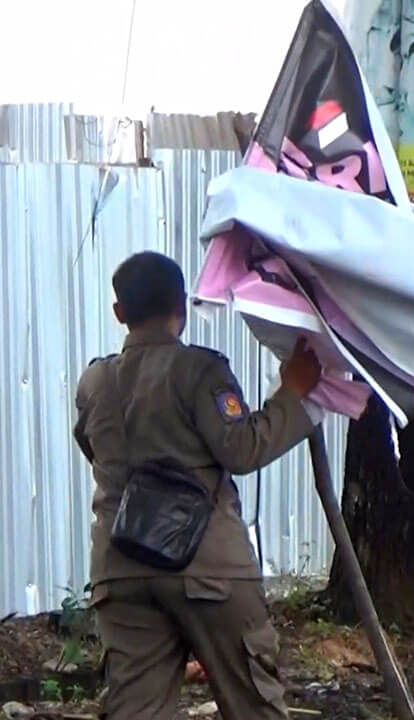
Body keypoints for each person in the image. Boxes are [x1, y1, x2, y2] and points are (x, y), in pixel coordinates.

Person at [74, 251, 323, 720]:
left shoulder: (95, 381)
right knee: (254, 705)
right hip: (207, 571)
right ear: (181, 307)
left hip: (121, 570)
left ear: (119, 313)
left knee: (135, 711)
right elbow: (242, 449)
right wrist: (293, 395)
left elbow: (93, 447)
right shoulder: (200, 371)